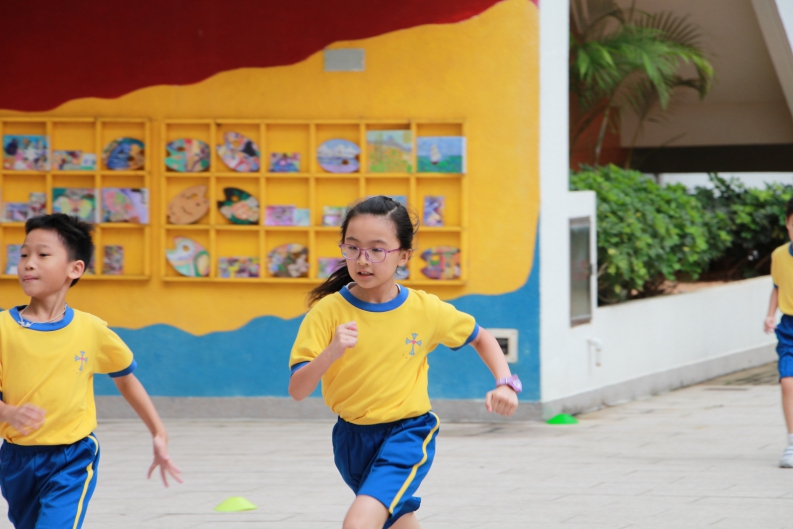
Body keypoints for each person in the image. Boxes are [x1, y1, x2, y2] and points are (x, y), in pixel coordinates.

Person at [288, 196, 521, 529]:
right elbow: (298, 390)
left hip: (406, 434)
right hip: (351, 439)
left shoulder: (425, 309)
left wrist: (505, 383)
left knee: (358, 523)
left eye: (377, 249)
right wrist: (331, 353)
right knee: (398, 520)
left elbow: (480, 337)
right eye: (352, 248)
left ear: (404, 255)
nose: (363, 260)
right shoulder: (327, 312)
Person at [0, 213, 182, 529]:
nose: (28, 264)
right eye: (24, 254)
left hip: (72, 457)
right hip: (16, 459)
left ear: (75, 268)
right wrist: (8, 413)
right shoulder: (3, 328)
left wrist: (159, 433)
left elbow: (126, 380)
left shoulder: (92, 329)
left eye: (43, 254)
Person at [765, 196, 793, 468]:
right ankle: (792, 444)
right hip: (788, 328)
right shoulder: (779, 255)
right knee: (787, 382)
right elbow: (777, 287)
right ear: (787, 223)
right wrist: (770, 314)